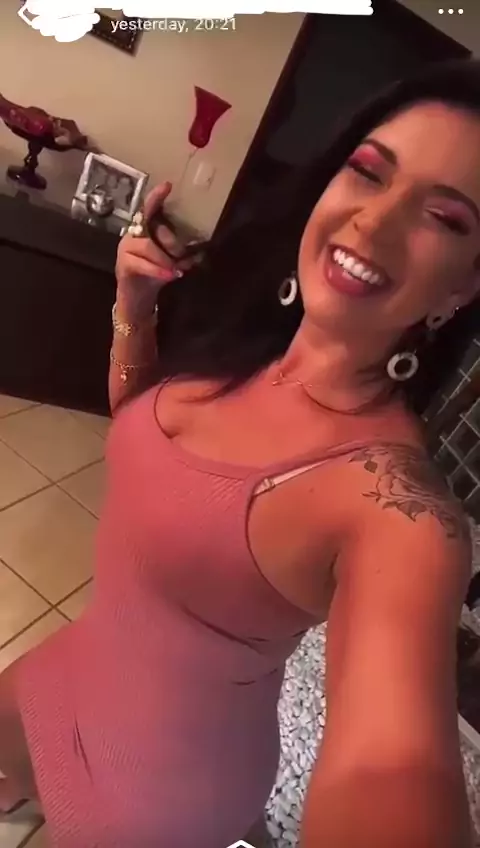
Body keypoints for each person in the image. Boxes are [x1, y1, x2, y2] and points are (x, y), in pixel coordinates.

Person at [0, 57, 480, 848]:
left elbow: (392, 771)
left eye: (443, 217)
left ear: (463, 287)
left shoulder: (400, 513)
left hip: (152, 799)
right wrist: (134, 305)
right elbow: (144, 437)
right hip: (67, 666)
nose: (374, 222)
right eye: (368, 172)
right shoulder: (248, 346)